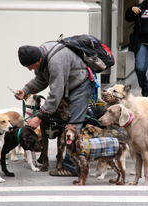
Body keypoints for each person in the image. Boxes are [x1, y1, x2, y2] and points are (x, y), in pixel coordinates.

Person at [15, 42, 93, 177]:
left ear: (39, 60)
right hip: (67, 87)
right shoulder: (41, 56)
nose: (29, 69)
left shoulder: (56, 61)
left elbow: (56, 93)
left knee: (72, 125)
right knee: (65, 124)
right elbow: (40, 80)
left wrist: (39, 117)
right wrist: (25, 90)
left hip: (80, 85)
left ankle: (71, 166)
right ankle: (65, 161)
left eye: (30, 66)